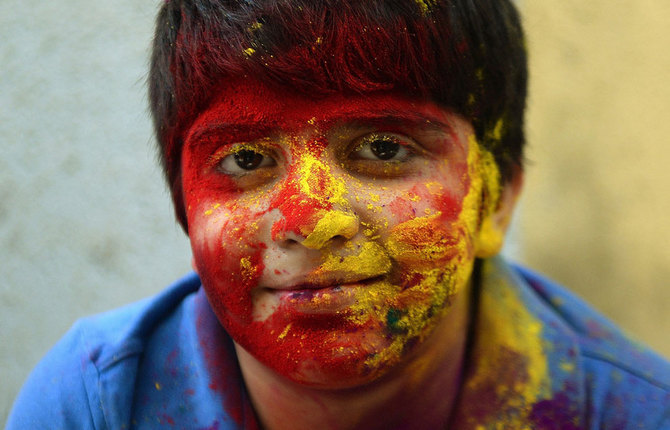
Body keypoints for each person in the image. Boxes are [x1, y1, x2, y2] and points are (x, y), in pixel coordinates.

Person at [7, 0, 670, 428]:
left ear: (496, 200)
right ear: (185, 209)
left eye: (384, 147)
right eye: (243, 161)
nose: (309, 216)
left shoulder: (637, 413)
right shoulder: (95, 406)